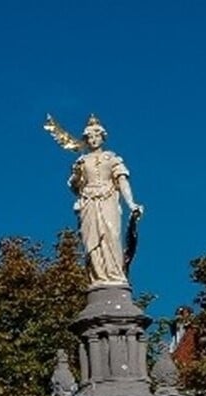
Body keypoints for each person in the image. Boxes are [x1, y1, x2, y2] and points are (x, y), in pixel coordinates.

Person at [51, 114, 142, 287]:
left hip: (108, 201)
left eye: (96, 136)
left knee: (111, 236)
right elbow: (74, 187)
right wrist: (77, 174)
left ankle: (115, 275)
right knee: (91, 242)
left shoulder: (112, 158)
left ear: (102, 137)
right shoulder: (81, 162)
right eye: (89, 137)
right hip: (88, 203)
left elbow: (122, 182)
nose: (93, 139)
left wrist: (131, 204)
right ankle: (98, 277)